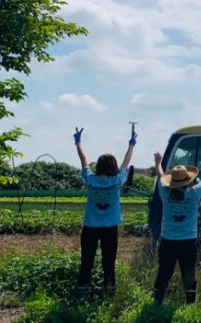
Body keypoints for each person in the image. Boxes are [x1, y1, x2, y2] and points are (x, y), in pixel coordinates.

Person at [153, 146, 201, 304]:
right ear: (188, 181)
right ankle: (190, 304)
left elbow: (160, 174)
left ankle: (157, 302)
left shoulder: (165, 193)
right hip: (188, 242)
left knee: (164, 272)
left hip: (168, 241)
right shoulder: (194, 194)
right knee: (189, 273)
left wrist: (158, 162)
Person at [74, 126, 136, 300]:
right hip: (110, 229)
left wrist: (78, 142)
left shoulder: (90, 180)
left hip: (90, 227)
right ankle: (109, 297)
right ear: (113, 167)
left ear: (98, 166)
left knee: (86, 261)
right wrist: (131, 144)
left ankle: (82, 295)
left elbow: (83, 160)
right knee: (109, 264)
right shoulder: (117, 181)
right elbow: (126, 161)